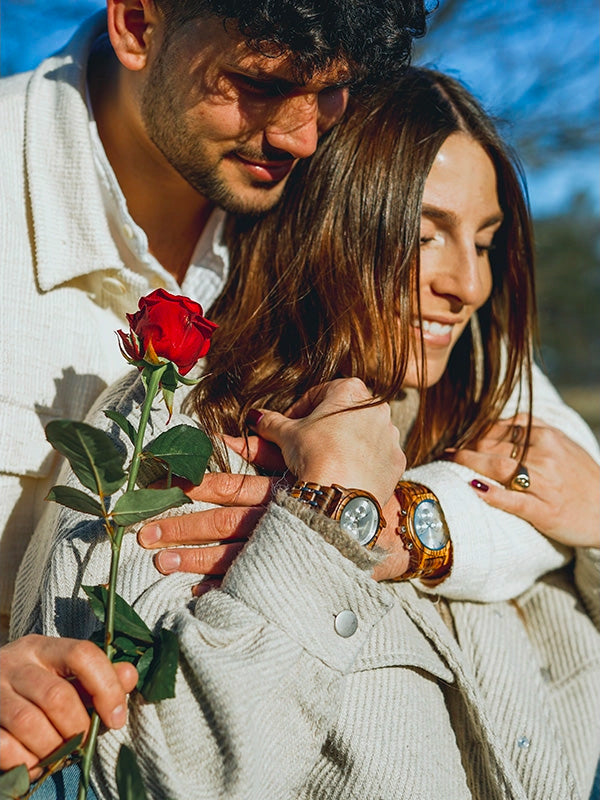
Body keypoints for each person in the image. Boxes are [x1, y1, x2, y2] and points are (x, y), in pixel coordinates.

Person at [10, 69, 600, 798]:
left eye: (484, 243)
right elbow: (157, 772)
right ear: (330, 224)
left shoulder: (490, 432)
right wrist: (328, 519)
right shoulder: (169, 441)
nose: (469, 285)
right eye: (426, 236)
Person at [0, 0, 427, 641]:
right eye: (261, 85)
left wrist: (417, 528)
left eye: (334, 89)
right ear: (138, 26)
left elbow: (532, 434)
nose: (301, 138)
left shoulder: (328, 197)